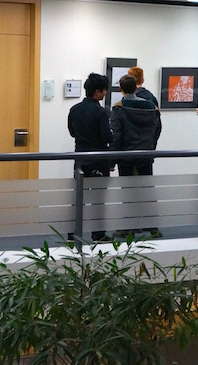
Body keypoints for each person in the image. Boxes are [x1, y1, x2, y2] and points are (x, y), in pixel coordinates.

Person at [111, 74, 162, 238]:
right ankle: (153, 227)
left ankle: (129, 227)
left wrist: (112, 160)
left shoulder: (119, 108)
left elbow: (116, 136)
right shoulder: (151, 107)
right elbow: (157, 130)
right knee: (147, 190)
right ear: (136, 87)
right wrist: (151, 147)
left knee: (127, 192)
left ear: (121, 89)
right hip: (145, 154)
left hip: (126, 156)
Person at [68, 72, 113, 242]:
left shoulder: (74, 110)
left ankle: (72, 233)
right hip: (98, 159)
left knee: (78, 197)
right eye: (104, 90)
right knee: (98, 199)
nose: (105, 93)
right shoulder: (101, 112)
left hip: (80, 158)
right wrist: (112, 136)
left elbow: (72, 132)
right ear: (97, 92)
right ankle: (98, 234)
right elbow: (106, 137)